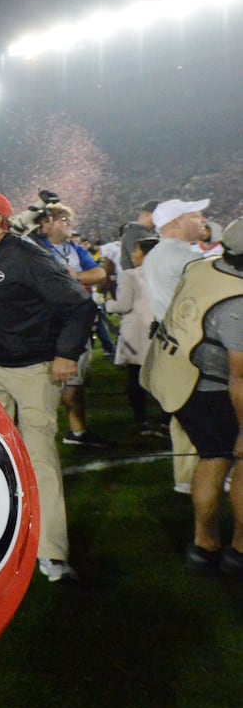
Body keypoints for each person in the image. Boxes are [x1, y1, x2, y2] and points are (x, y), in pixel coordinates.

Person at [0, 192, 97, 582]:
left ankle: (51, 551)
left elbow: (80, 306)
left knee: (40, 458)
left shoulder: (29, 257)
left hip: (34, 370)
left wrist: (67, 354)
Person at [142, 219, 243, 575]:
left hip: (178, 375)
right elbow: (240, 377)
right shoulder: (238, 304)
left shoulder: (203, 268)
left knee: (210, 456)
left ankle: (204, 544)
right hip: (211, 387)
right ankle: (237, 551)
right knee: (229, 461)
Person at [143, 197, 210, 493]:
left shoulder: (158, 253)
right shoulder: (184, 257)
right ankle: (212, 472)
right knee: (210, 411)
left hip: (172, 342)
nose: (203, 221)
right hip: (197, 344)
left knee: (183, 412)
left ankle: (186, 476)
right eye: (195, 216)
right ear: (175, 223)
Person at [40, 203, 113, 447]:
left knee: (76, 380)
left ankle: (77, 431)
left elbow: (99, 275)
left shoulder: (74, 249)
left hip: (76, 322)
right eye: (65, 220)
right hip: (46, 324)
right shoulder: (35, 248)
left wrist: (74, 277)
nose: (70, 226)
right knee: (47, 383)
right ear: (47, 223)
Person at [107, 237, 165, 438]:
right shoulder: (167, 273)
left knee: (135, 377)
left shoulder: (130, 275)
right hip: (161, 329)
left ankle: (142, 420)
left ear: (147, 254)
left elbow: (123, 305)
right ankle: (166, 418)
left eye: (137, 250)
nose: (133, 254)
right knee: (161, 374)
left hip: (137, 331)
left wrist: (106, 306)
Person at [119, 200, 160, 271]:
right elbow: (140, 262)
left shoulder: (145, 232)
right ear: (147, 214)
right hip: (137, 279)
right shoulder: (135, 232)